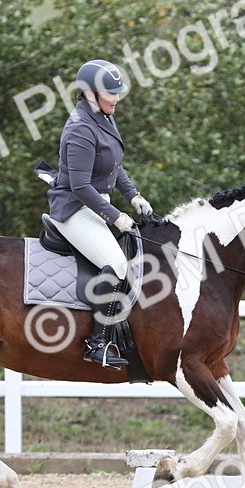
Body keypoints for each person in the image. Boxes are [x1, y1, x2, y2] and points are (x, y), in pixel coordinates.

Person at [47, 59, 153, 371]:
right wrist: (114, 215)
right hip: (75, 208)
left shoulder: (103, 118)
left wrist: (133, 195)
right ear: (89, 93)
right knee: (118, 265)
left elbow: (114, 164)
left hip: (96, 204)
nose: (116, 99)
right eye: (110, 93)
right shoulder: (80, 128)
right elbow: (80, 186)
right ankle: (97, 344)